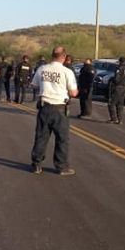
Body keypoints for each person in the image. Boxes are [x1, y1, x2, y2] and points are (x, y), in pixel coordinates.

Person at [30, 46, 78, 175]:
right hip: (59, 109)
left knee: (41, 137)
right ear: (64, 57)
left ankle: (36, 164)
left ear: (52, 55)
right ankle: (61, 166)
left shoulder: (42, 68)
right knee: (62, 139)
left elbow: (34, 85)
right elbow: (73, 92)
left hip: (44, 106)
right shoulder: (67, 72)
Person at [108, 56, 125, 124]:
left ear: (120, 61)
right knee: (120, 104)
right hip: (124, 88)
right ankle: (120, 120)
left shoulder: (119, 68)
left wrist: (112, 80)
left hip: (117, 87)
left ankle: (113, 118)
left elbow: (116, 79)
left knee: (111, 103)